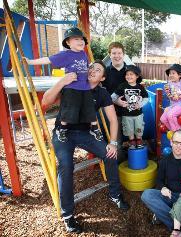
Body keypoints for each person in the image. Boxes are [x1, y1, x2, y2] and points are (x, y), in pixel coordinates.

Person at [41, 60, 130, 234]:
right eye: (91, 68)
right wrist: (61, 82)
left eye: (97, 70)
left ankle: (114, 194)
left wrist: (112, 143)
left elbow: (112, 120)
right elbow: (45, 101)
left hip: (86, 133)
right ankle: (68, 214)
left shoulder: (102, 92)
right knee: (66, 166)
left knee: (111, 153)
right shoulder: (72, 84)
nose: (92, 71)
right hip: (63, 133)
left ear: (102, 78)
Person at [26, 27, 102, 142]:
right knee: (70, 108)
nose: (80, 41)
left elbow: (86, 68)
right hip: (71, 88)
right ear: (68, 42)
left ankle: (95, 128)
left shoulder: (84, 54)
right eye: (76, 39)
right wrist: (30, 62)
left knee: (89, 107)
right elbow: (48, 59)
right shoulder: (66, 55)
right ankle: (62, 128)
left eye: (81, 39)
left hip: (85, 88)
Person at [111, 65, 148, 148]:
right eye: (127, 74)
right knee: (129, 129)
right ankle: (131, 141)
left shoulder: (140, 87)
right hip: (126, 115)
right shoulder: (122, 86)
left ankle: (139, 140)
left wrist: (140, 104)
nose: (129, 76)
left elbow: (146, 98)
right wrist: (118, 102)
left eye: (131, 74)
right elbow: (112, 97)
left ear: (137, 76)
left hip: (138, 114)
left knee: (139, 128)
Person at [160, 64, 181, 131]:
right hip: (173, 105)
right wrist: (170, 94)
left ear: (179, 75)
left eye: (173, 73)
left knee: (170, 115)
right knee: (162, 119)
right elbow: (169, 96)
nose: (171, 75)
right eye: (170, 73)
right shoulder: (169, 83)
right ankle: (173, 131)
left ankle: (177, 131)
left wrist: (179, 96)